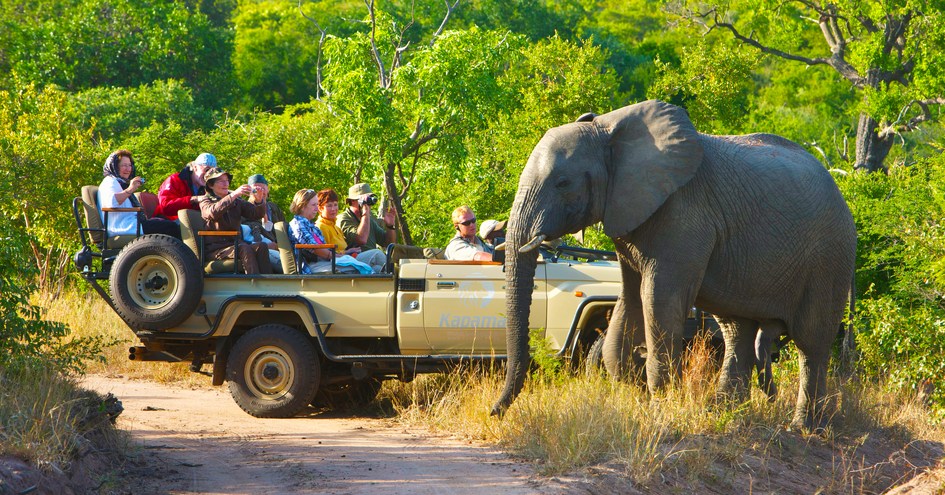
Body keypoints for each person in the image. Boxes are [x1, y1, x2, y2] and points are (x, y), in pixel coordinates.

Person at [198, 168, 272, 274]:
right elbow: (212, 213)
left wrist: (259, 201)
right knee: (244, 248)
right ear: (210, 185)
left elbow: (255, 214)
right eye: (221, 181)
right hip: (216, 249)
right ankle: (254, 283)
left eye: (227, 180)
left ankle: (269, 284)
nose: (226, 184)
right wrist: (233, 195)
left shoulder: (236, 201)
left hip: (235, 245)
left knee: (261, 246)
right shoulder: (205, 200)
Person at [97, 149, 181, 239]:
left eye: (130, 165)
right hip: (123, 227)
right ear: (114, 166)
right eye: (124, 165)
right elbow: (112, 202)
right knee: (170, 227)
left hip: (133, 224)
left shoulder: (120, 182)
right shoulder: (110, 182)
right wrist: (131, 188)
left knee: (168, 223)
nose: (128, 169)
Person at [288, 189, 373, 274]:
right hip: (311, 265)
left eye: (317, 204)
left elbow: (324, 248)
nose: (317, 208)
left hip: (323, 261)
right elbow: (314, 248)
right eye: (314, 205)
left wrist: (342, 254)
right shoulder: (298, 225)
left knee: (373, 266)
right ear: (302, 206)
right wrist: (334, 256)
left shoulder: (311, 226)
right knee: (358, 267)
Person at [314, 188, 386, 273]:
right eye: (329, 206)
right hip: (337, 264)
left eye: (335, 204)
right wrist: (347, 252)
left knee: (378, 269)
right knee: (377, 254)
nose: (333, 209)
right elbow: (324, 254)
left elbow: (387, 241)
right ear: (320, 208)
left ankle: (394, 283)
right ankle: (398, 275)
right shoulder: (321, 226)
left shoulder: (335, 226)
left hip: (347, 259)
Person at [337, 182, 396, 256]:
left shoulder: (369, 220)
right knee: (378, 253)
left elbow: (388, 244)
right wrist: (365, 212)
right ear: (353, 200)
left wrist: (390, 226)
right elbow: (361, 240)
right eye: (365, 200)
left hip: (372, 261)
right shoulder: (344, 218)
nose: (368, 204)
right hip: (353, 261)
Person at [243, 173, 285, 273]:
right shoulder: (244, 208)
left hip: (280, 248)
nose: (260, 191)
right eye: (255, 189)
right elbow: (244, 233)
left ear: (268, 190)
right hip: (260, 249)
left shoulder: (274, 208)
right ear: (249, 191)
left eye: (263, 188)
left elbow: (284, 229)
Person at [155, 152, 215, 221]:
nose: (208, 175)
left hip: (192, 222)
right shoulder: (174, 180)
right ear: (195, 167)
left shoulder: (210, 187)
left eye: (212, 172)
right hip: (166, 221)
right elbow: (165, 207)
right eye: (207, 170)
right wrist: (193, 199)